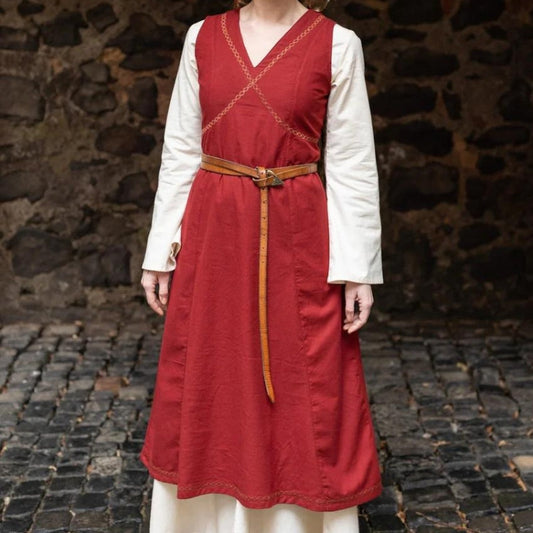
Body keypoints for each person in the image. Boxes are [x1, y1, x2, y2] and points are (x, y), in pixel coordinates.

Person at [139, 0, 384, 530]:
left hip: (299, 235)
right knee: (212, 374)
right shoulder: (202, 37)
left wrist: (357, 268)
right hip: (214, 233)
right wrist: (161, 250)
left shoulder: (338, 43)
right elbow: (180, 150)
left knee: (303, 382)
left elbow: (352, 163)